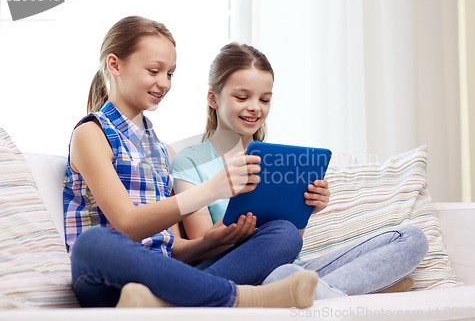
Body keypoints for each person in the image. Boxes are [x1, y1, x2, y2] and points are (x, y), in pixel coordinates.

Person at [62, 16, 319, 308]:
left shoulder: (159, 150)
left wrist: (211, 241)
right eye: (154, 70)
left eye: (170, 74)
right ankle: (240, 297)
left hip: (165, 276)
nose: (164, 83)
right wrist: (211, 190)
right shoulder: (91, 133)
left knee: (284, 234)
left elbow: (172, 250)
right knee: (94, 243)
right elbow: (126, 225)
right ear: (115, 65)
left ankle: (164, 304)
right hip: (107, 278)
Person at [171, 42, 429, 299]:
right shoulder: (189, 161)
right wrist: (231, 231)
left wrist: (306, 208)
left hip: (285, 270)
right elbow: (201, 245)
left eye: (264, 99)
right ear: (213, 98)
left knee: (411, 238)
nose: (255, 107)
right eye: (242, 97)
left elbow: (294, 241)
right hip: (229, 268)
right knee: (283, 237)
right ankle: (333, 293)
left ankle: (310, 292)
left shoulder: (278, 160)